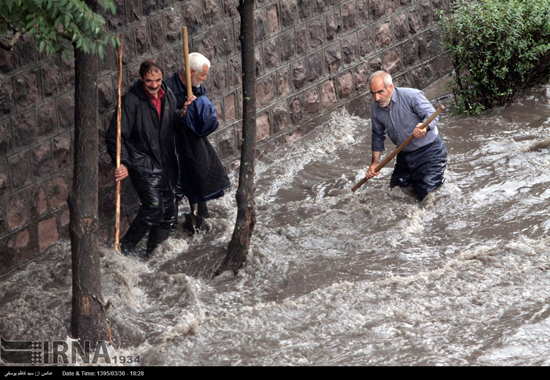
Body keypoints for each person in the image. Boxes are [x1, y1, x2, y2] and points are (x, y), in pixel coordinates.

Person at [105, 59, 179, 260]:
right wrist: (124, 163)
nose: (154, 85)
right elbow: (115, 136)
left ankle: (152, 256)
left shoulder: (168, 95)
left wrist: (185, 113)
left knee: (169, 213)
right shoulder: (130, 102)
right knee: (154, 208)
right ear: (141, 78)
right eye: (149, 81)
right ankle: (124, 252)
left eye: (157, 80)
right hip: (142, 162)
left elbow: (173, 122)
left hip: (166, 162)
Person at [165, 52, 230, 229]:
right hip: (173, 147)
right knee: (175, 191)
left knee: (198, 181)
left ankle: (200, 221)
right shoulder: (168, 88)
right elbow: (163, 120)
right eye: (202, 75)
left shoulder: (198, 87)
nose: (205, 79)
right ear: (191, 72)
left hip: (192, 146)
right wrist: (182, 112)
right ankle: (168, 229)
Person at [366, 71, 447, 201]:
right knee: (396, 190)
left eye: (380, 92)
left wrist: (424, 127)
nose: (376, 98)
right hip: (405, 155)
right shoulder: (375, 109)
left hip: (430, 152)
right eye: (373, 93)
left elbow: (432, 114)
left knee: (426, 195)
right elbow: (377, 136)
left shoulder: (411, 96)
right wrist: (375, 163)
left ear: (390, 87)